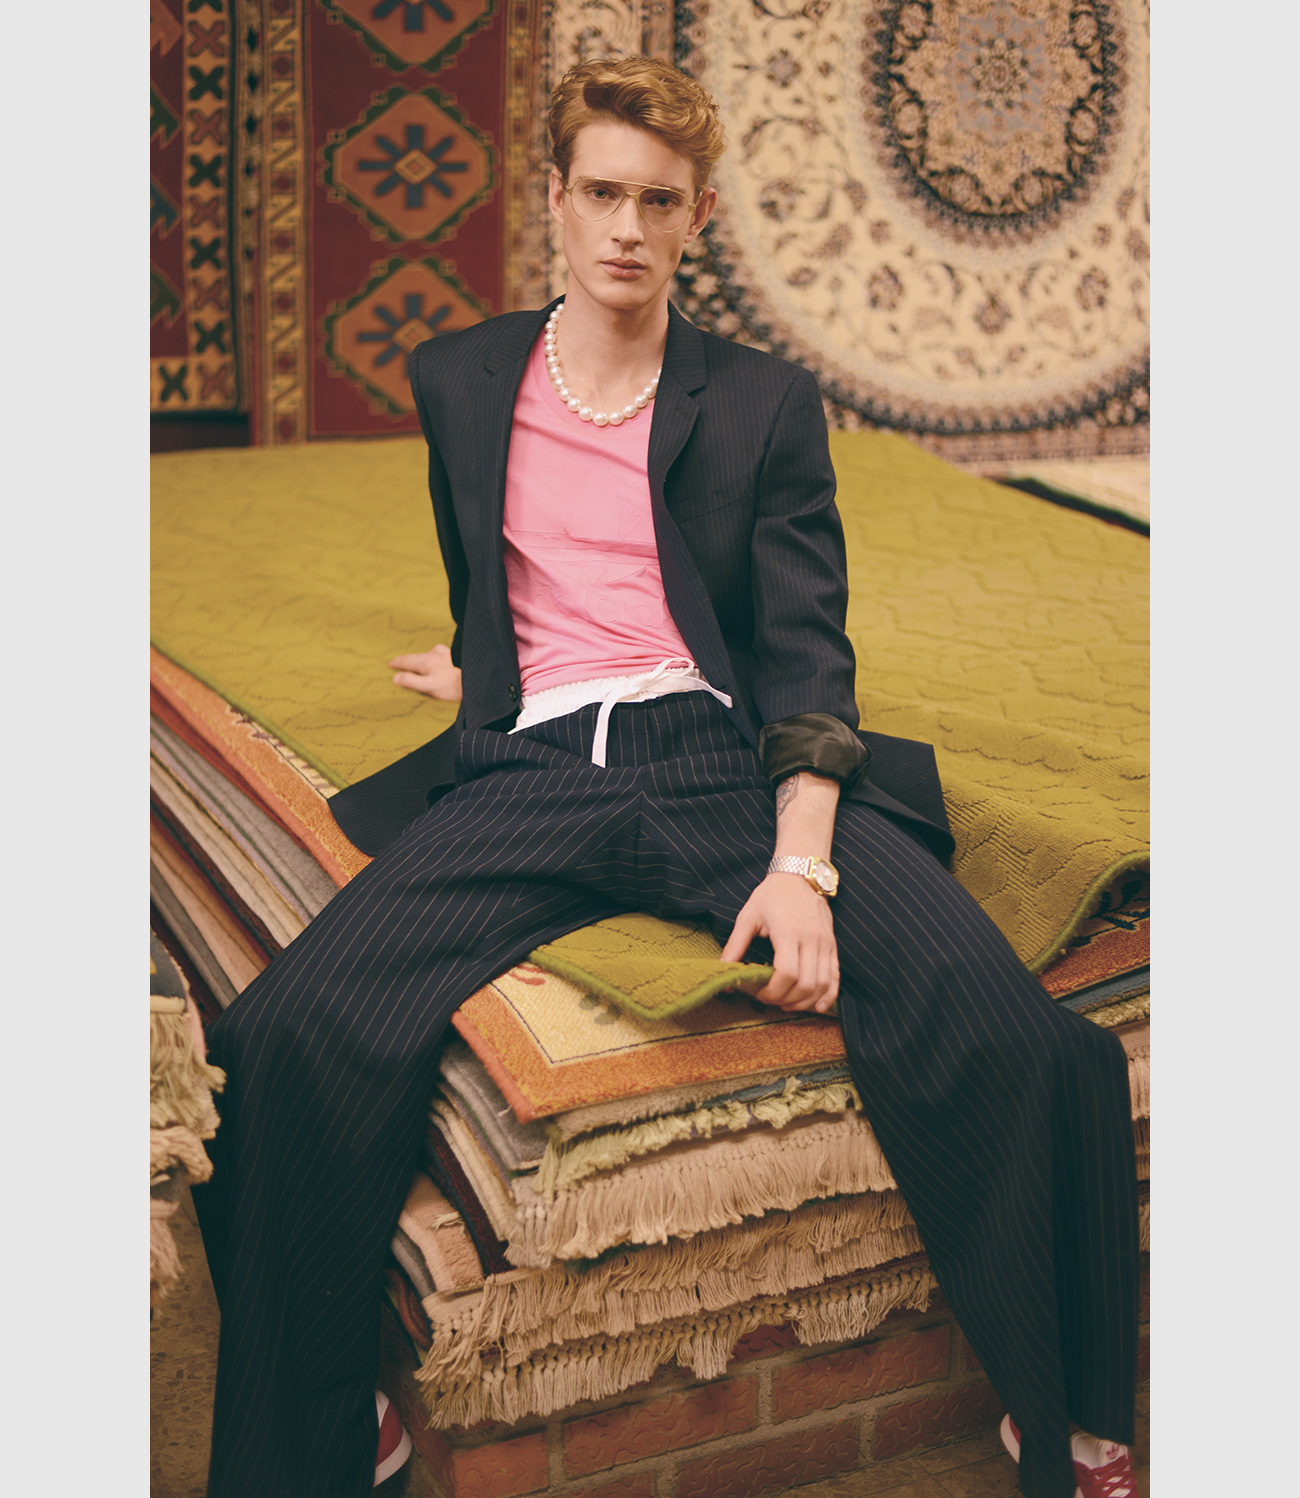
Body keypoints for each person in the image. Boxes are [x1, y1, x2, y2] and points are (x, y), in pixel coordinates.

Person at [195, 56, 1140, 1498]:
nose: (625, 228)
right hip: (529, 766)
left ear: (697, 216)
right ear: (556, 199)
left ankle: (1067, 1413)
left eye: (657, 201)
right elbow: (487, 555)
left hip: (716, 756)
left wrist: (802, 862)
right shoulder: (462, 376)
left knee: (1013, 1029)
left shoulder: (761, 402)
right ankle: (329, 1432)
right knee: (283, 1034)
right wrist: (490, 661)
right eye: (601, 194)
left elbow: (806, 647)